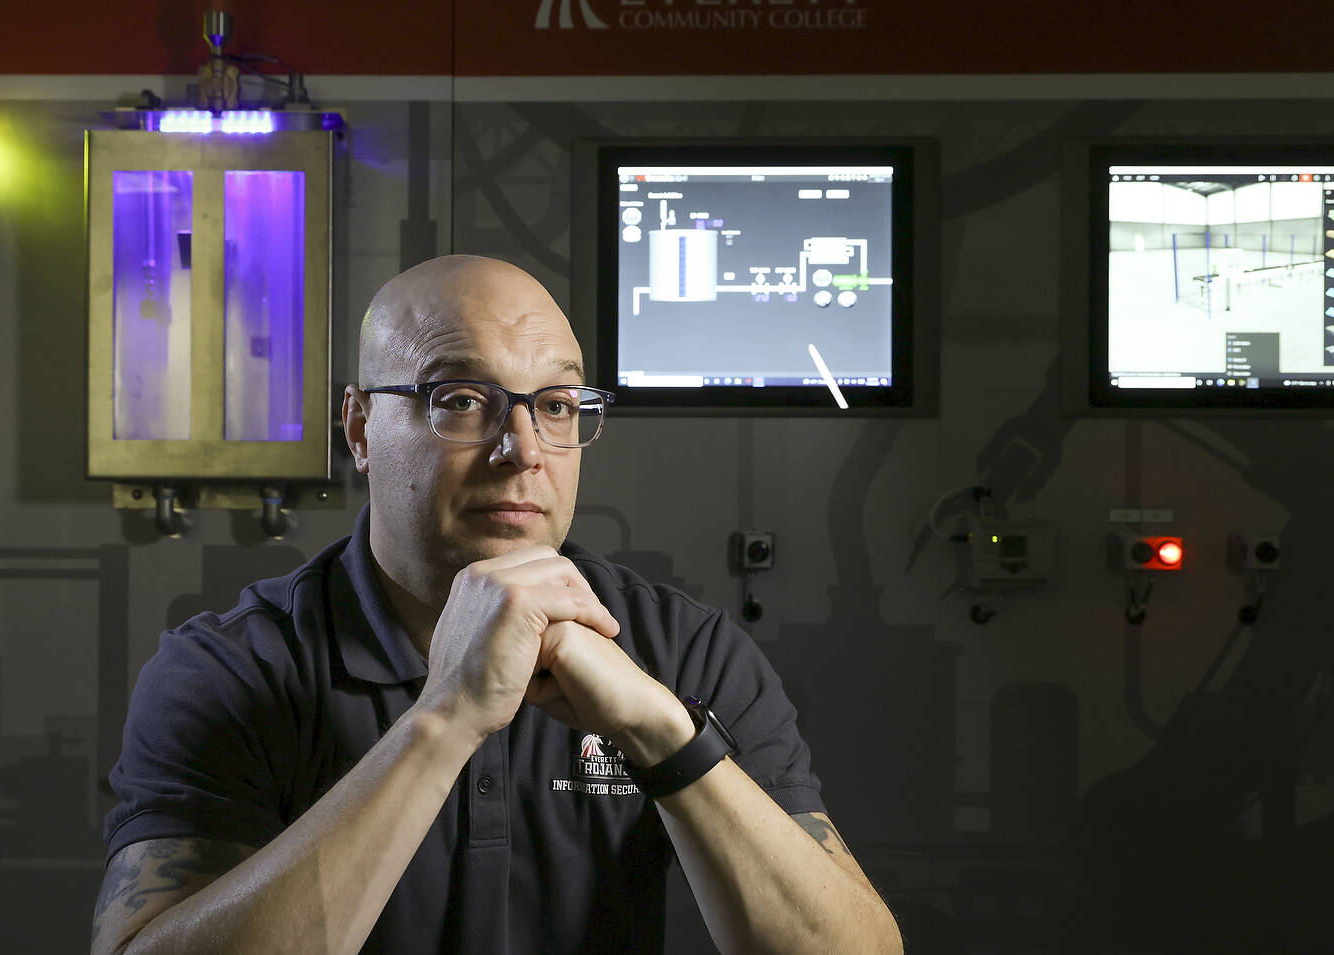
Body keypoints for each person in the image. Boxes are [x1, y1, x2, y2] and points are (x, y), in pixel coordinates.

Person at [92, 255, 902, 954]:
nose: (521, 451)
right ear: (362, 427)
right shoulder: (230, 669)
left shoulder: (683, 652)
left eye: (555, 405)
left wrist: (659, 734)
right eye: (461, 399)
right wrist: (443, 720)